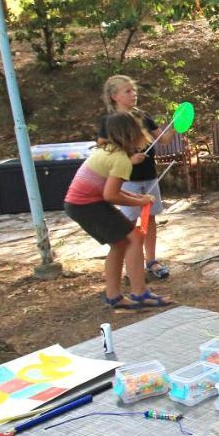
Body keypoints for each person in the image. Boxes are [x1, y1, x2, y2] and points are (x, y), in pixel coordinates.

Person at [64, 112, 174, 310]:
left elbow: (111, 190)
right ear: (133, 134)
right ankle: (139, 293)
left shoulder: (108, 151)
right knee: (134, 238)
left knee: (121, 243)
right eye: (141, 130)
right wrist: (137, 202)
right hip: (87, 205)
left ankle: (114, 296)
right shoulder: (121, 160)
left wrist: (137, 198)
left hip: (81, 204)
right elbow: (110, 195)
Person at [97, 75, 171, 279]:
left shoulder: (144, 116)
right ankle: (132, 265)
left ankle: (151, 261)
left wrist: (177, 124)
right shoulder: (108, 121)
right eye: (128, 91)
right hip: (125, 179)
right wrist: (129, 158)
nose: (133, 94)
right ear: (115, 96)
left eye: (134, 90)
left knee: (150, 219)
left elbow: (163, 139)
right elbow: (103, 147)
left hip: (149, 175)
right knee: (129, 223)